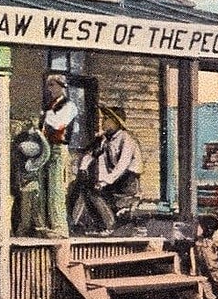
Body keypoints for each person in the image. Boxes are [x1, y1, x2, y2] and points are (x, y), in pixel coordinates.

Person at [69, 104, 141, 235]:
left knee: (94, 192)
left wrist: (104, 182)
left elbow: (122, 166)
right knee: (84, 188)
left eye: (107, 119)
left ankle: (110, 225)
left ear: (116, 122)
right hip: (113, 181)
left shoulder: (127, 139)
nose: (103, 122)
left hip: (127, 182)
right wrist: (83, 169)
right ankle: (74, 224)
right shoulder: (104, 140)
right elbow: (91, 155)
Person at [39, 74, 77, 238]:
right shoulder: (50, 105)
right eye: (49, 86)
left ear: (62, 87)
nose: (51, 89)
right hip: (47, 147)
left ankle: (60, 227)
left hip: (59, 148)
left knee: (57, 189)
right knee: (45, 187)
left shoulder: (69, 106)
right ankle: (48, 224)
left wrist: (45, 116)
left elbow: (58, 124)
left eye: (54, 85)